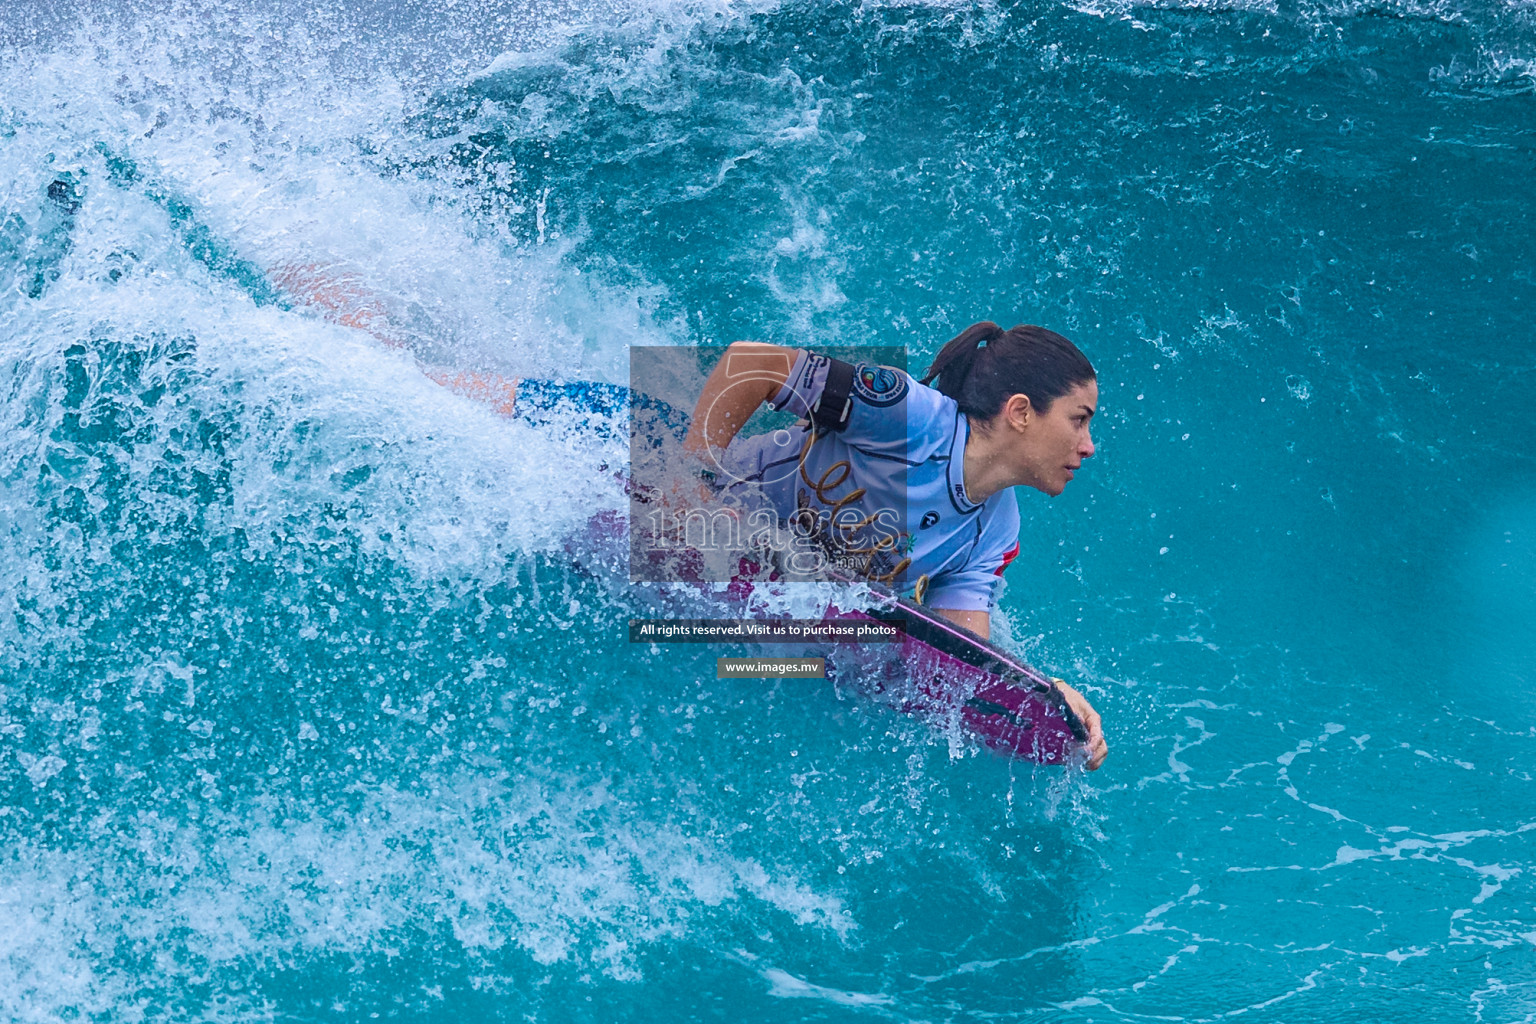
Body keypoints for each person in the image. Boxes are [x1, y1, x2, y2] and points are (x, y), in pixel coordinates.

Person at [679, 323, 1107, 769]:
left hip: (766, 608)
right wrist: (691, 485)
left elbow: (955, 660)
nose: (1088, 446)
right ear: (1020, 412)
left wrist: (1046, 693)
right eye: (1078, 419)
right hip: (711, 524)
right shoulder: (909, 416)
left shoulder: (997, 529)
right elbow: (751, 362)